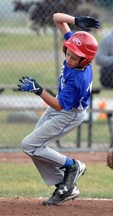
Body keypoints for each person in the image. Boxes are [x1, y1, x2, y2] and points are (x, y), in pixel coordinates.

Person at [17, 13, 100, 205]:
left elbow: (59, 105)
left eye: (74, 57)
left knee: (29, 145)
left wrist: (38, 90)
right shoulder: (77, 50)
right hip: (60, 108)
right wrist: (75, 21)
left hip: (69, 114)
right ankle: (64, 186)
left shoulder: (79, 79)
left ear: (85, 60)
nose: (69, 57)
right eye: (68, 52)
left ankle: (73, 166)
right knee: (35, 147)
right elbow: (56, 17)